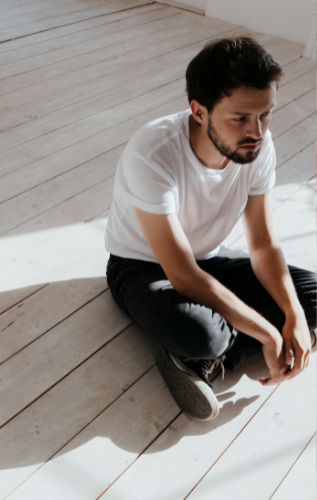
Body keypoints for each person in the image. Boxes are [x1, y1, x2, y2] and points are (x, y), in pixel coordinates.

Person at [105, 35, 316, 421]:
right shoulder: (152, 153)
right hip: (141, 266)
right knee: (203, 334)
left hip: (209, 259)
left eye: (266, 114)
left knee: (310, 301)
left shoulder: (258, 146)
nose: (257, 130)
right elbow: (183, 275)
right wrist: (270, 333)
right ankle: (207, 350)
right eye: (240, 118)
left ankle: (213, 358)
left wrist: (294, 314)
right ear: (199, 112)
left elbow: (264, 245)